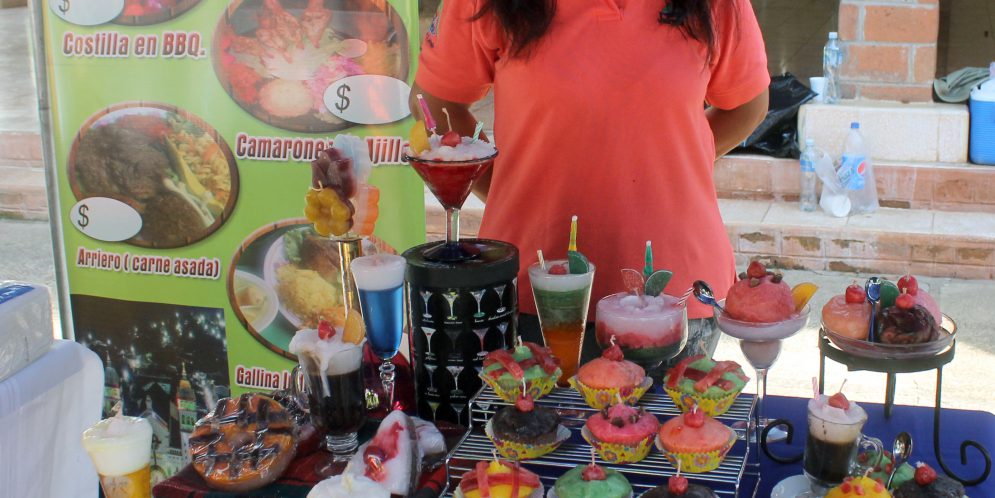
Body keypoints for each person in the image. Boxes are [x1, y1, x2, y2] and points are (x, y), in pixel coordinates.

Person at [411, 0, 770, 372]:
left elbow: (748, 104)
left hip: (677, 292)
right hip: (535, 286)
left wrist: (674, 162)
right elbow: (435, 102)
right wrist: (505, 186)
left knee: (676, 413)